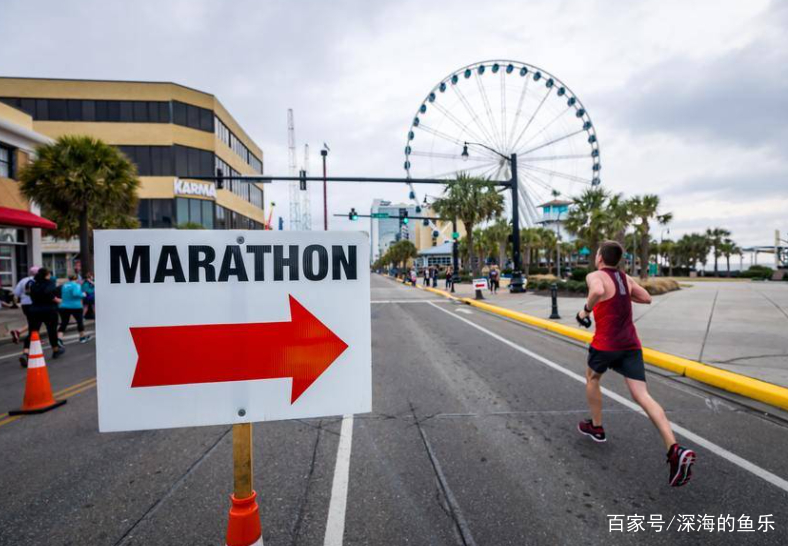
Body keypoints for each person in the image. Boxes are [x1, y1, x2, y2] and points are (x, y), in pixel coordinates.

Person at [576, 241, 696, 487]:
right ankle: (674, 449)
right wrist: (623, 295)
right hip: (631, 345)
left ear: (599, 257)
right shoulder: (625, 278)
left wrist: (586, 311)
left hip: (606, 344)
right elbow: (646, 297)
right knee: (642, 396)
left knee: (592, 378)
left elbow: (598, 291)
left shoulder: (594, 275)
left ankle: (597, 427)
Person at [26, 268, 65, 360]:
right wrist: (61, 301)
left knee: (33, 331)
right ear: (46, 275)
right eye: (49, 274)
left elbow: (30, 294)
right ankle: (55, 350)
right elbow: (51, 296)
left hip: (34, 310)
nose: (50, 276)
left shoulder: (34, 284)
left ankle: (26, 352)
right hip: (49, 310)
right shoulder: (50, 283)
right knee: (52, 331)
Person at [12, 266, 39, 366]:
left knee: (32, 323)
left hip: (25, 305)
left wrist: (15, 304)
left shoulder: (23, 280)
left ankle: (19, 332)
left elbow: (16, 293)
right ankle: (26, 352)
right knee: (34, 327)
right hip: (35, 304)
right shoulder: (38, 281)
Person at [58, 274, 92, 344]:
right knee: (79, 321)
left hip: (64, 306)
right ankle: (82, 337)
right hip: (75, 306)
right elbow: (76, 294)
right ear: (76, 279)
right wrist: (83, 294)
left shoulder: (64, 285)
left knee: (64, 322)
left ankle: (59, 339)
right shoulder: (76, 285)